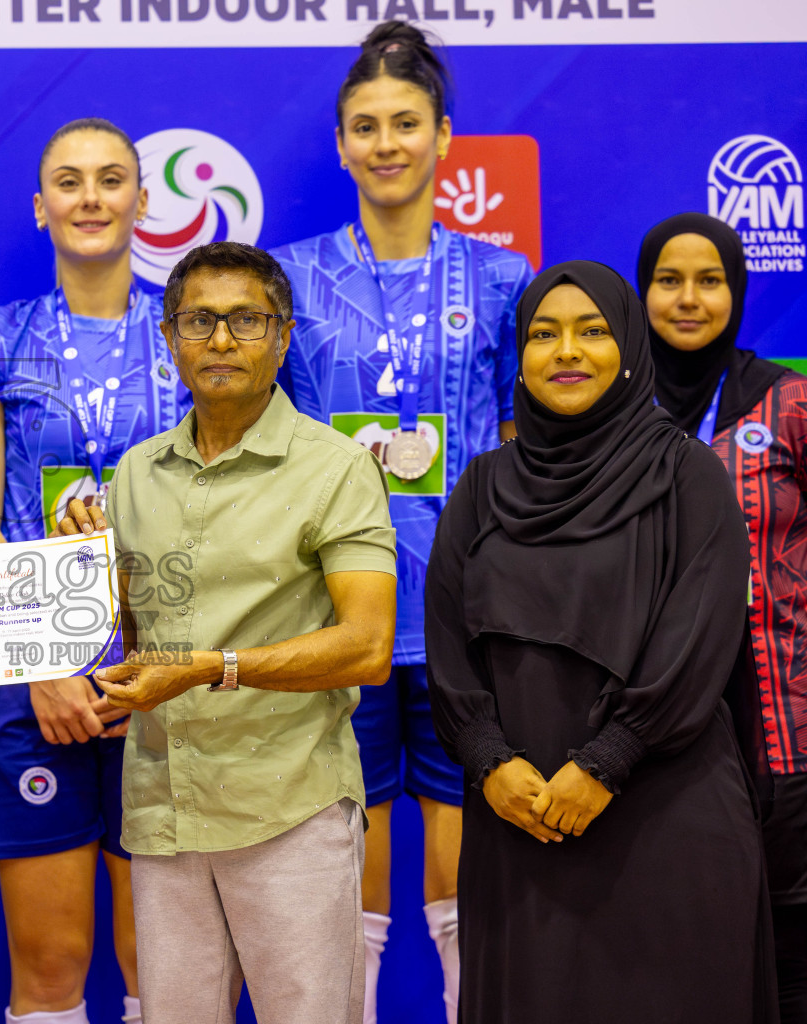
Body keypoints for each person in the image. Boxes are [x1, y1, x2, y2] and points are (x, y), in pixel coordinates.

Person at [425, 260, 775, 1023]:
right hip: (517, 819)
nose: (567, 352)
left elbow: (700, 638)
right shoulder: (481, 486)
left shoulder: (687, 475)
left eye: (593, 332)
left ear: (629, 350)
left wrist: (606, 762)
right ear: (518, 355)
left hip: (665, 816)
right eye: (544, 335)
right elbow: (448, 647)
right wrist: (488, 761)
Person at [266, 22, 533, 1021]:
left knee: (471, 862)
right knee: (345, 851)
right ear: (340, 144)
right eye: (367, 126)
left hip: (470, 613)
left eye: (406, 124)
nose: (387, 143)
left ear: (444, 137)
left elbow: (520, 449)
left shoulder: (502, 279)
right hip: (337, 615)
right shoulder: (290, 280)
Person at [57, 240, 396, 1024]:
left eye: (246, 320)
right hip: (165, 808)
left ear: (282, 337)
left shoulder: (337, 467)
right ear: (168, 337)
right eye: (198, 321)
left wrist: (213, 667)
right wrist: (79, 574)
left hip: (289, 805)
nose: (219, 341)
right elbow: (127, 640)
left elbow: (368, 647)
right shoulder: (135, 472)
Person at [0, 116, 187, 1024]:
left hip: (163, 683)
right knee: (52, 967)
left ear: (141, 199)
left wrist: (160, 670)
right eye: (70, 181)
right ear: (39, 206)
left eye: (111, 179)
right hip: (31, 684)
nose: (91, 197)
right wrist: (47, 663)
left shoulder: (186, 334)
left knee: (163, 969)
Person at [640, 212, 807, 1023]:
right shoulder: (614, 422)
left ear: (736, 292)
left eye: (710, 281)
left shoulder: (787, 402)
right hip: (658, 729)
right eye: (669, 280)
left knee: (795, 940)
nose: (689, 299)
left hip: (780, 720)